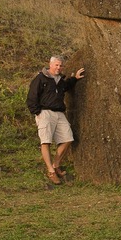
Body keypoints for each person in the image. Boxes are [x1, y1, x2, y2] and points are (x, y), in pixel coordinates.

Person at [26, 55, 85, 184]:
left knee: (68, 138)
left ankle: (56, 164)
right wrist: (37, 112)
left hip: (59, 113)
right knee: (46, 142)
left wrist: (75, 78)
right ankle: (51, 171)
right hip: (44, 112)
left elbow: (67, 86)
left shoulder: (60, 80)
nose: (59, 67)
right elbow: (31, 96)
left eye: (61, 65)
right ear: (50, 64)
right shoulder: (41, 78)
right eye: (56, 65)